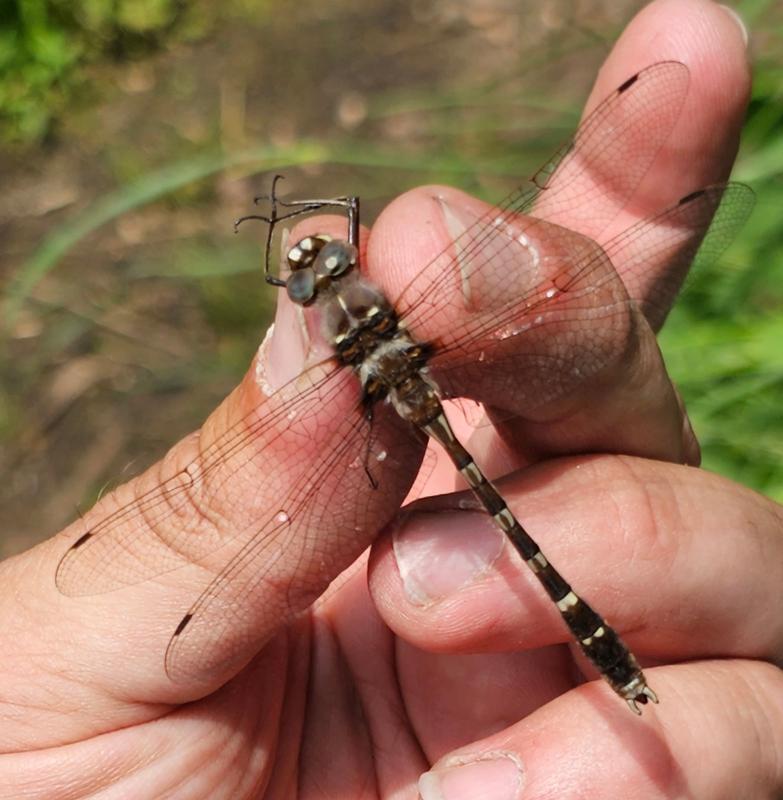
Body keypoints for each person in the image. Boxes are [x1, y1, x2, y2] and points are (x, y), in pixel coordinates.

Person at [3, 1, 781, 797]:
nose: (317, 264)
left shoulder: (351, 357)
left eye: (319, 266)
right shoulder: (372, 330)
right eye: (311, 275)